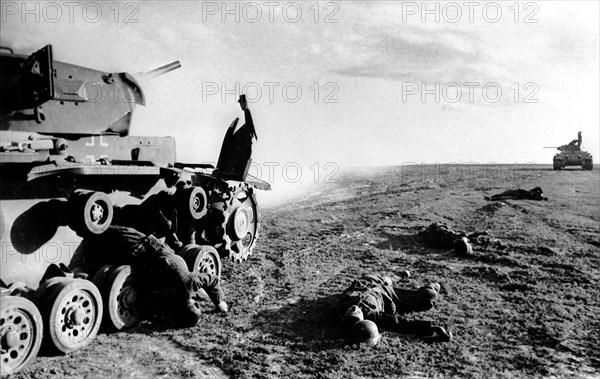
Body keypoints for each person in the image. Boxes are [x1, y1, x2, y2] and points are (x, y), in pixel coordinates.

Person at [70, 226, 227, 327]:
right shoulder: (167, 301)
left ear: (195, 304)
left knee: (94, 231)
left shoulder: (190, 283)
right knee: (93, 241)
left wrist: (219, 302)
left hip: (137, 244)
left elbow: (212, 280)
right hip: (135, 252)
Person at [337, 273, 452, 345]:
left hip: (372, 282)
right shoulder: (344, 312)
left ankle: (401, 275)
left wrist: (433, 328)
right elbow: (398, 322)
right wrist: (432, 328)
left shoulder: (370, 315)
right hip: (376, 286)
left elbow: (397, 322)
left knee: (389, 280)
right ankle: (402, 276)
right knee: (427, 298)